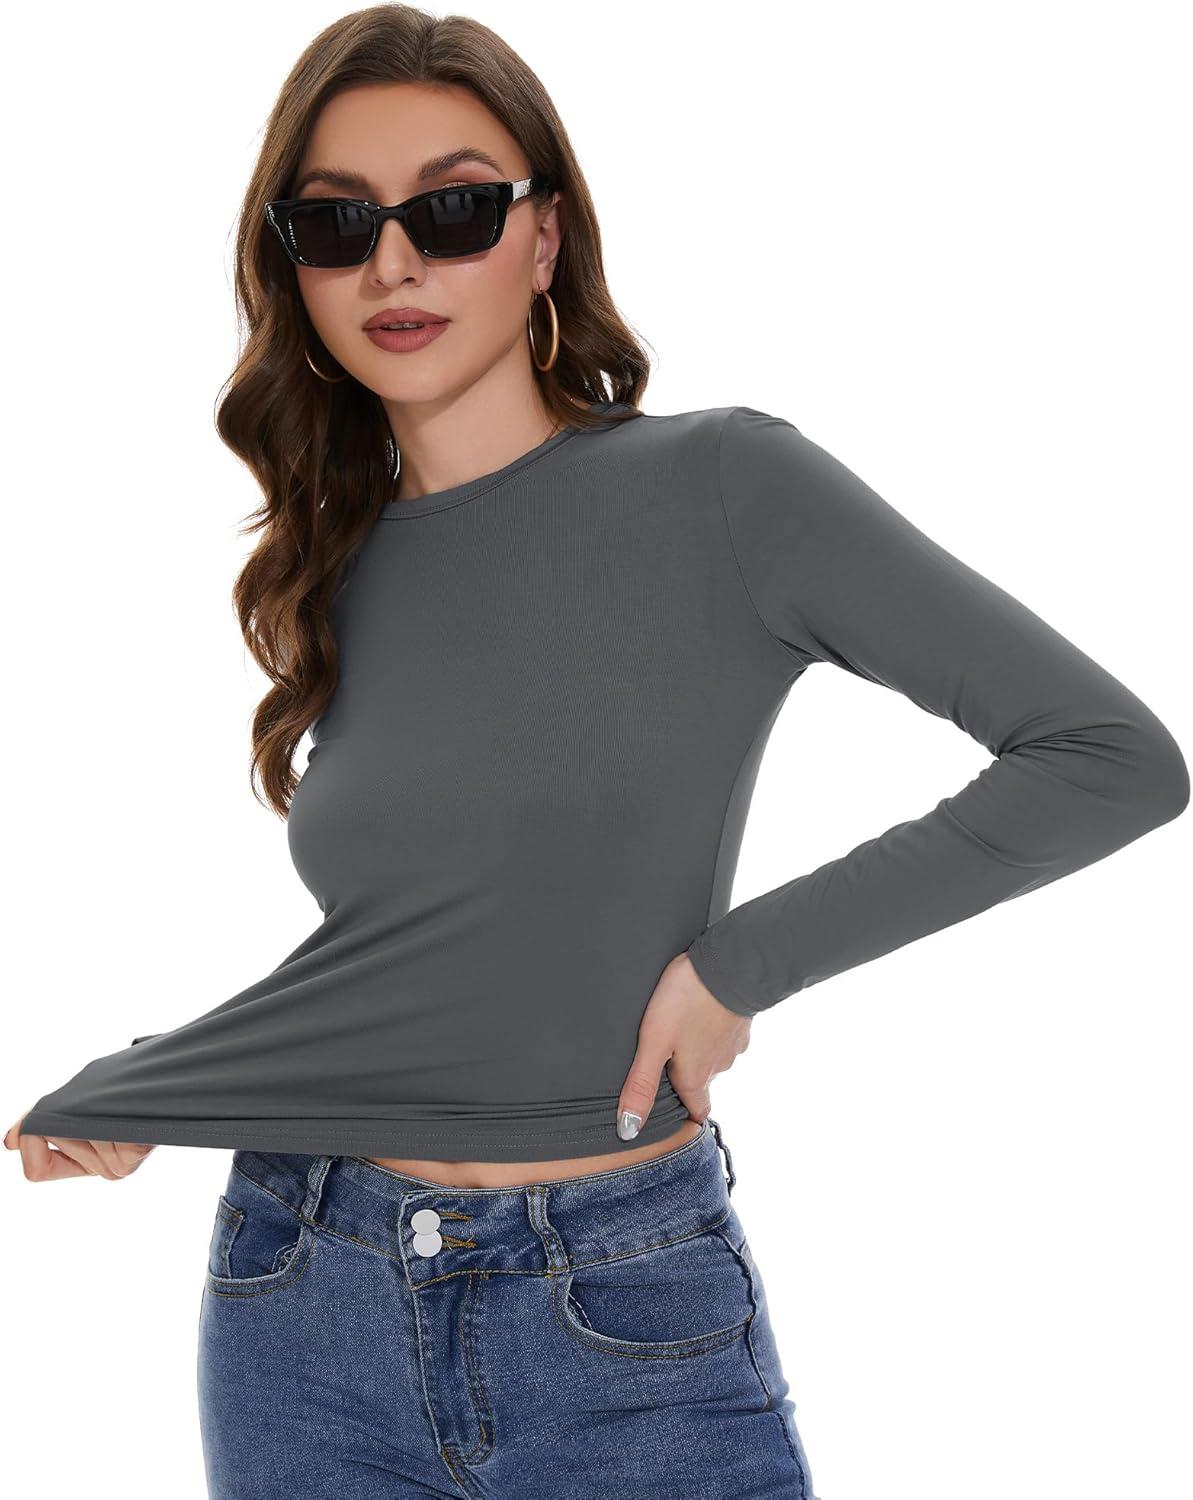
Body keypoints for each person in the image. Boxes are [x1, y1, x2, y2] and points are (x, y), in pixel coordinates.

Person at [6, 6, 1188, 1498]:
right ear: (290, 266)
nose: (392, 266)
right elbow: (432, 954)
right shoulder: (339, 566)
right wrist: (158, 1085)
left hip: (617, 1305)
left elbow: (1107, 756)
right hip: (302, 1291)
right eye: (336, 224)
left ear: (544, 236)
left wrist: (739, 966)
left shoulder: (722, 487)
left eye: (451, 211)